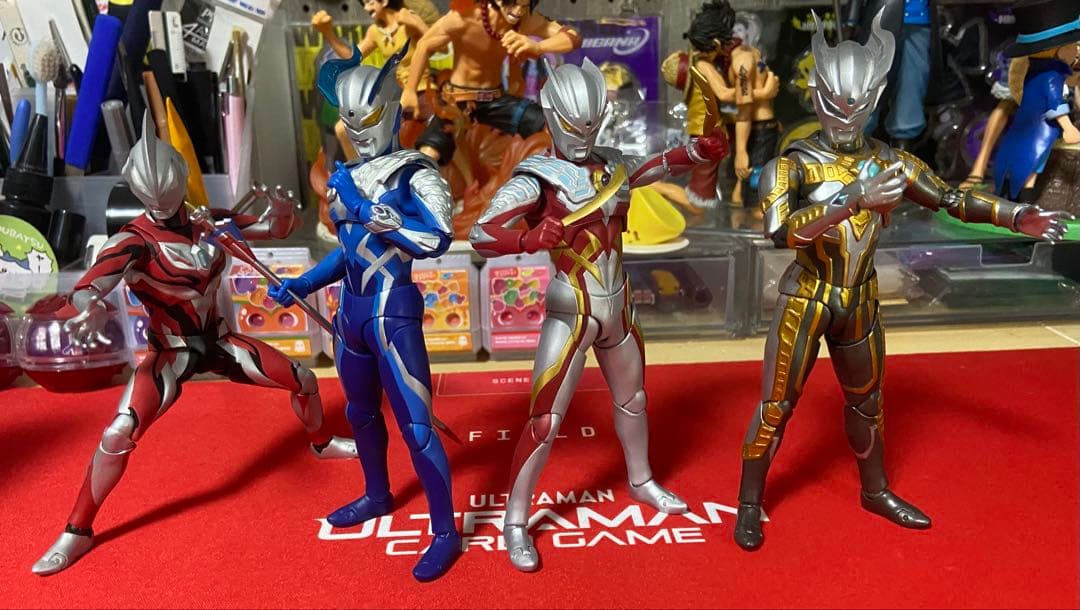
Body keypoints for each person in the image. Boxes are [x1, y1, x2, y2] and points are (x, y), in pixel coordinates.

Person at [733, 11, 1072, 551]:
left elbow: (951, 198)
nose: (845, 117)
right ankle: (749, 504)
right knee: (776, 405)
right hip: (808, 295)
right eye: (834, 104)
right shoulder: (791, 165)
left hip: (861, 298)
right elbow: (780, 232)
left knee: (868, 403)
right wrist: (851, 199)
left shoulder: (889, 160)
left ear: (873, 100)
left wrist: (1015, 215)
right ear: (817, 97)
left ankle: (875, 490)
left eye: (857, 104)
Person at [31, 115, 355, 576]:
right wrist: (90, 309)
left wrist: (283, 211)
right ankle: (76, 529)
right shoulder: (133, 242)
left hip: (220, 341)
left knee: (303, 379)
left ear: (182, 179)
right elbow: (87, 289)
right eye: (155, 197)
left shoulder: (209, 221)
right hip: (170, 352)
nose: (165, 203)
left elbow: (276, 229)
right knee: (118, 433)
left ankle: (320, 443)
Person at [470, 58, 730, 572]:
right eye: (574, 126)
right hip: (572, 307)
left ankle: (641, 480)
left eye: (591, 125)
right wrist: (526, 238)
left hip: (620, 304)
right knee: (545, 420)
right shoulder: (536, 177)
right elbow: (481, 232)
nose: (583, 137)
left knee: (634, 400)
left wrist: (697, 152)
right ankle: (515, 520)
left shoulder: (611, 164)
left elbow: (653, 168)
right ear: (553, 116)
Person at [269, 47, 461, 582]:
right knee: (360, 414)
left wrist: (364, 208)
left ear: (392, 114)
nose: (360, 132)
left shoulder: (415, 173)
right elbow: (348, 251)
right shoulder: (347, 175)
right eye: (350, 122)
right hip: (351, 313)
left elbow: (436, 239)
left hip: (392, 311)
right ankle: (377, 494)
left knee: (416, 425)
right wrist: (304, 282)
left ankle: (445, 532)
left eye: (370, 119)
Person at [402, 0, 580, 164]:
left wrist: (538, 47)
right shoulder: (464, 18)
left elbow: (573, 37)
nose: (518, 12)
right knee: (429, 153)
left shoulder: (525, 21)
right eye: (514, 4)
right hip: (459, 101)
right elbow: (425, 45)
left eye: (524, 6)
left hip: (497, 101)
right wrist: (410, 90)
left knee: (553, 128)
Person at [991, 0, 1080, 203]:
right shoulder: (1052, 77)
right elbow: (1055, 105)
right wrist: (1068, 128)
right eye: (1072, 46)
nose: (1076, 51)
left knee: (1020, 161)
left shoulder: (1035, 71)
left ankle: (1012, 194)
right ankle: (1026, 200)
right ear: (1057, 50)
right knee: (1032, 166)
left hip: (1025, 124)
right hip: (1040, 130)